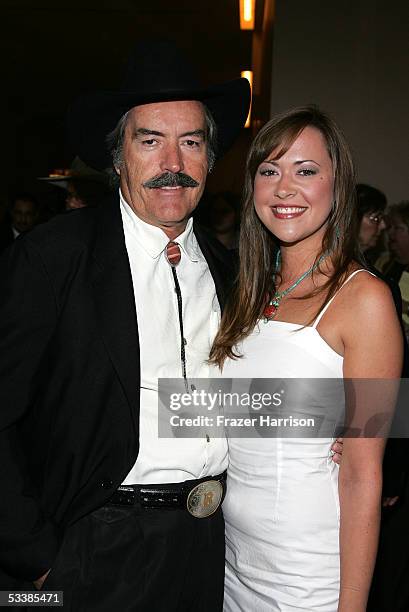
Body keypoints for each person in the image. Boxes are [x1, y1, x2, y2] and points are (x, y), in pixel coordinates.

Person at [0, 42, 250, 611]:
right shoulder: (53, 259)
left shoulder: (231, 270)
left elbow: (209, 405)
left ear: (210, 159)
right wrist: (35, 560)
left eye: (191, 141)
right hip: (88, 547)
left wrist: (348, 421)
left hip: (211, 545)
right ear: (117, 158)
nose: (174, 163)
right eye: (150, 140)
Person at [209, 106, 403, 611]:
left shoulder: (365, 300)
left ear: (338, 188)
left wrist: (352, 604)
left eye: (306, 171)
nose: (284, 187)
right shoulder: (249, 291)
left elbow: (364, 473)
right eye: (269, 171)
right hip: (233, 563)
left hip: (310, 574)